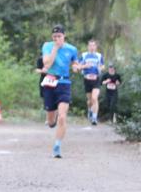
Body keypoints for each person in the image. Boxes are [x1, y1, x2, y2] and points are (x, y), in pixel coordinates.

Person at [40, 24, 81, 158]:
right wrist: (55, 49)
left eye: (59, 36)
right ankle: (53, 118)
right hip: (50, 82)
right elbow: (47, 64)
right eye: (54, 36)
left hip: (64, 83)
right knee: (51, 121)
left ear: (64, 36)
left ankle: (57, 146)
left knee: (62, 117)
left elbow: (75, 62)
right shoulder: (47, 46)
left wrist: (76, 66)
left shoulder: (72, 49)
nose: (56, 39)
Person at [79, 39, 105, 125]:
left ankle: (94, 118)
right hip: (87, 80)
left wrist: (100, 68)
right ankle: (90, 110)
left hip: (96, 80)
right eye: (90, 45)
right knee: (90, 100)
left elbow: (103, 66)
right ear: (88, 47)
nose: (92, 47)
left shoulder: (99, 56)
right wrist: (85, 66)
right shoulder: (84, 55)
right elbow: (78, 66)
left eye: (93, 45)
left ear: (96, 47)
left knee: (94, 98)